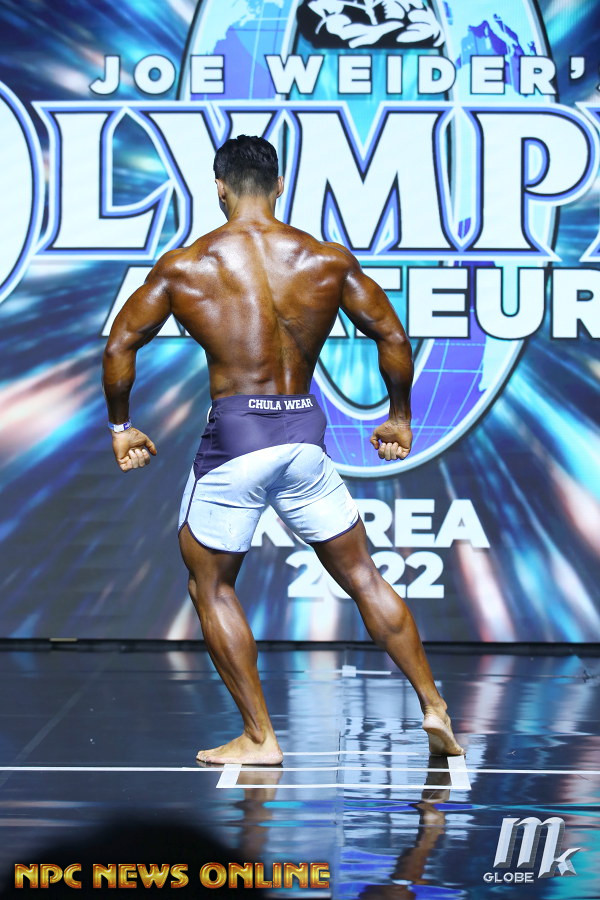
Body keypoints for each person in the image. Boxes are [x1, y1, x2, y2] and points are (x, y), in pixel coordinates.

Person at [102, 135, 464, 765]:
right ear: (279, 185)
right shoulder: (325, 260)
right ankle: (434, 705)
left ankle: (259, 737)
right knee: (363, 575)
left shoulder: (186, 266)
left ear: (219, 187)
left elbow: (120, 345)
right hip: (303, 438)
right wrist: (400, 417)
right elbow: (392, 335)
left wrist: (121, 426)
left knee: (211, 588)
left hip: (235, 442)